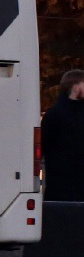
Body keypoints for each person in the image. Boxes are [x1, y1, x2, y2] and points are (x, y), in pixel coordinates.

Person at [41, 69, 84, 202]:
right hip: (60, 191)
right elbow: (43, 147)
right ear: (75, 88)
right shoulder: (54, 115)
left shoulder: (54, 114)